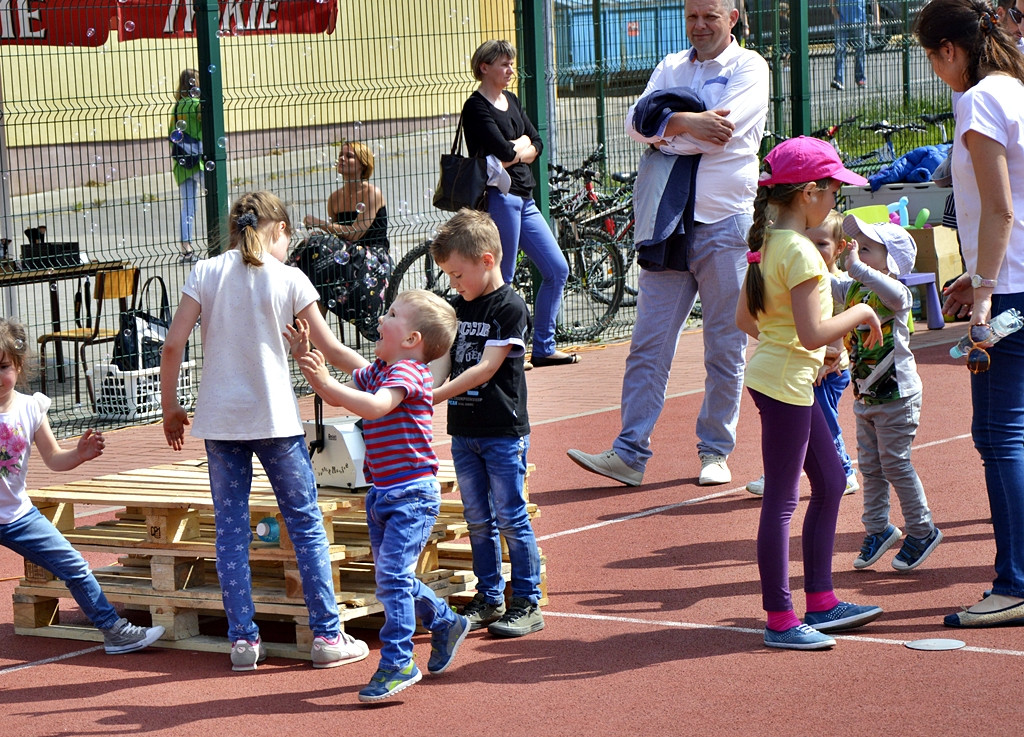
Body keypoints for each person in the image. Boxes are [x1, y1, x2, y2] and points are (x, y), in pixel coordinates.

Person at [158, 191, 369, 671]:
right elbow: (333, 350)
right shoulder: (290, 278)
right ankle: (327, 636)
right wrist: (383, 376)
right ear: (279, 230)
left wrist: (171, 406)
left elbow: (173, 346)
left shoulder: (206, 272)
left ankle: (243, 642)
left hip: (221, 421)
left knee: (230, 531)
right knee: (305, 524)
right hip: (275, 420)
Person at [567, 0, 769, 487]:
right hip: (667, 225)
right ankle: (629, 452)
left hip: (724, 224)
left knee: (725, 346)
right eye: (693, 16)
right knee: (648, 344)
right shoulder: (669, 65)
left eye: (710, 17)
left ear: (733, 18)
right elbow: (637, 123)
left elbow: (722, 133)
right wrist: (683, 123)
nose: (700, 26)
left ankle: (715, 452)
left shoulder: (750, 67)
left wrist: (668, 128)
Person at [736, 136, 884, 650]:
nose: (836, 201)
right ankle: (780, 618)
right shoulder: (798, 250)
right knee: (781, 501)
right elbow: (811, 333)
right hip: (786, 387)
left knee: (832, 479)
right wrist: (862, 313)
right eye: (834, 191)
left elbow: (745, 320)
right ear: (809, 194)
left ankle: (820, 600)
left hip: (786, 379)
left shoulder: (769, 242)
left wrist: (792, 349)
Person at [288, 290, 469, 703]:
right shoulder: (383, 370)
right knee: (394, 578)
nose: (381, 318)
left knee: (390, 579)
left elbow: (372, 407)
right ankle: (444, 622)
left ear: (412, 340)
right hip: (383, 494)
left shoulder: (409, 375)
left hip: (412, 495)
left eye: (391, 314)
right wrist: (308, 360)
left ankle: (398, 662)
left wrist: (325, 379)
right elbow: (342, 373)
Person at [917, 0, 1024, 627]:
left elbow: (1002, 207)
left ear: (948, 51)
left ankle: (1014, 583)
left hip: (1009, 290)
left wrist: (984, 284)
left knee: (999, 435)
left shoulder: (981, 101)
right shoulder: (1017, 89)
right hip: (1011, 281)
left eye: (931, 59)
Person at [0, 319, 165, 654]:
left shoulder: (31, 408)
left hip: (16, 515)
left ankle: (114, 630)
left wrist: (80, 453)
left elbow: (54, 459)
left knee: (74, 564)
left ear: (18, 365)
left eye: (2, 366)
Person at [428, 210, 545, 638]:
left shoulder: (510, 308)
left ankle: (527, 600)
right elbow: (440, 363)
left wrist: (435, 396)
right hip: (464, 433)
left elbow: (485, 368)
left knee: (511, 516)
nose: (455, 285)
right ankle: (490, 597)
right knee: (478, 518)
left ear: (486, 260)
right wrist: (418, 387)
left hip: (501, 432)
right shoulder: (457, 308)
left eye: (458, 275)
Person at [461, 39, 578, 368]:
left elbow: (535, 141)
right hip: (499, 198)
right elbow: (506, 152)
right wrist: (520, 147)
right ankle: (507, 351)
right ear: (484, 67)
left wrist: (521, 147)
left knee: (557, 269)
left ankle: (543, 346)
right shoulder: (476, 107)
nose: (510, 69)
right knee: (504, 275)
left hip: (525, 199)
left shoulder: (510, 99)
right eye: (504, 64)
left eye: (511, 63)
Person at [837, 215, 943, 571]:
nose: (857, 252)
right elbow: (824, 284)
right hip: (866, 397)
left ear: (891, 260)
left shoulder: (895, 292)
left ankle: (922, 529)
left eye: (867, 248)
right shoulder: (855, 289)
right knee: (870, 466)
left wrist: (856, 267)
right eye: (857, 246)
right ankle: (878, 528)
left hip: (898, 395)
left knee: (896, 464)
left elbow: (896, 295)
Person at [746, 210, 860, 497]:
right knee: (800, 427)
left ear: (839, 248)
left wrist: (829, 355)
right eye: (809, 242)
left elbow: (835, 331)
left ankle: (843, 468)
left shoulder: (838, 284)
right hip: (804, 363)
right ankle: (786, 471)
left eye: (822, 244)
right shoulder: (801, 272)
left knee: (825, 422)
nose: (815, 250)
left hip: (828, 370)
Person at [302, 141, 389, 252]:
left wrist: (319, 223)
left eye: (349, 156)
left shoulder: (372, 193)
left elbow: (354, 234)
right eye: (340, 155)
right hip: (347, 255)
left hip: (373, 258)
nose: (342, 159)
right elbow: (337, 235)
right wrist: (320, 235)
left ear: (363, 165)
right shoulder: (334, 198)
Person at [171, 68, 203, 262]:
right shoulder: (198, 105)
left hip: (182, 164)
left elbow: (173, 135)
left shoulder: (177, 107)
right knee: (219, 198)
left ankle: (186, 248)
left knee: (187, 207)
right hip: (199, 162)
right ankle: (227, 242)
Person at [830, 0, 879, 90]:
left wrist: (877, 18)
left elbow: (873, 1)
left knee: (860, 50)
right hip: (841, 20)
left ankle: (860, 79)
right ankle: (839, 80)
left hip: (859, 20)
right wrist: (835, 13)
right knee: (840, 50)